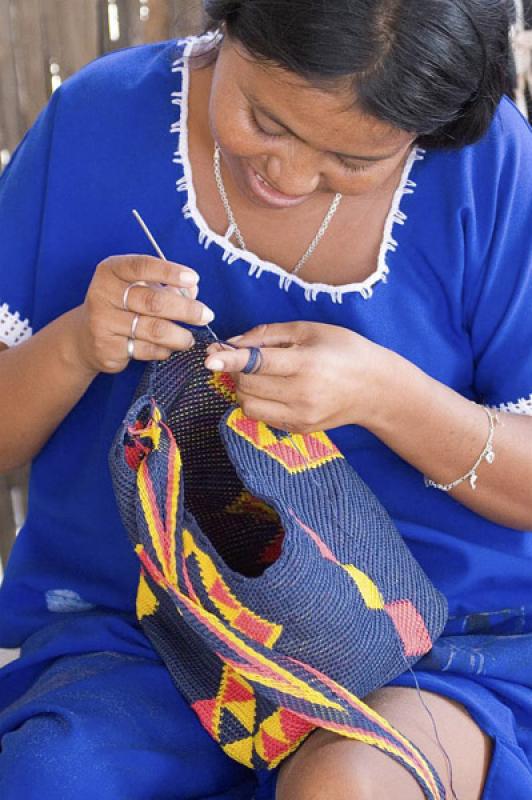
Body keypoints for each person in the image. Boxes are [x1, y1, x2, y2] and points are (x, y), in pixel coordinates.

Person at [0, 0, 531, 797]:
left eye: (353, 161)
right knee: (53, 780)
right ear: (232, 24)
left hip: (423, 646)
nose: (287, 175)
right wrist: (76, 344)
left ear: (427, 132)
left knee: (346, 788)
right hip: (146, 637)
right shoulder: (99, 122)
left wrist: (387, 395)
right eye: (265, 119)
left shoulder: (491, 171)